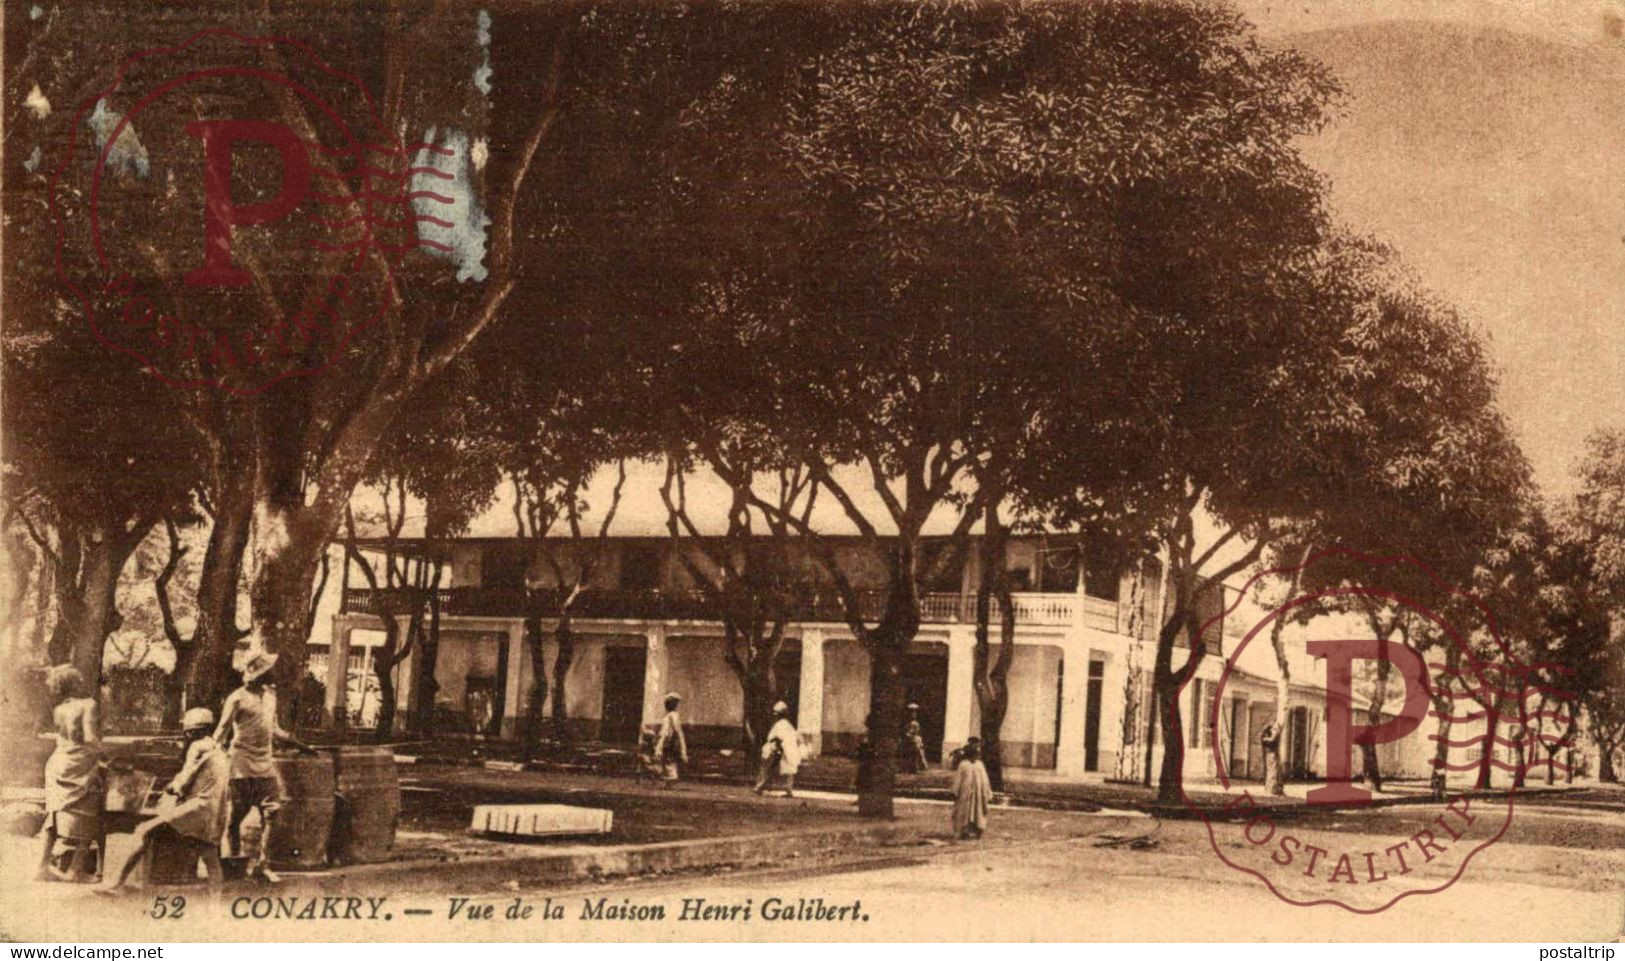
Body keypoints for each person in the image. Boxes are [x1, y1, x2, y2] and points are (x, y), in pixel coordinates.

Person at [97, 708, 229, 894]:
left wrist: (173, 787)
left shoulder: (197, 747)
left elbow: (187, 775)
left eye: (187, 732)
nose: (186, 736)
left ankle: (115, 884)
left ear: (192, 731)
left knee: (144, 830)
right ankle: (218, 903)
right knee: (210, 856)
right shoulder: (220, 750)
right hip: (215, 811)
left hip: (198, 808)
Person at [213, 651, 314, 882]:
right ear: (257, 674)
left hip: (265, 764)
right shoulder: (236, 698)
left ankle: (263, 864)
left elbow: (274, 728)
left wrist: (298, 744)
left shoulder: (271, 696)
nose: (272, 674)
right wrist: (208, 753)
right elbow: (222, 731)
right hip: (240, 764)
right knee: (234, 818)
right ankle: (233, 863)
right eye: (267, 671)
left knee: (272, 813)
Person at [38, 665, 104, 882]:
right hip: (80, 764)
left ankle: (42, 868)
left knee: (54, 815)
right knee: (90, 812)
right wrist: (110, 756)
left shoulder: (59, 709)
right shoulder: (89, 705)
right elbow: (89, 738)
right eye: (79, 679)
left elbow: (65, 739)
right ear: (75, 683)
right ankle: (76, 871)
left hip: (58, 762)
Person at [752, 701, 802, 798]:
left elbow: (777, 738)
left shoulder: (781, 725)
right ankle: (786, 789)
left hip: (780, 750)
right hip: (785, 750)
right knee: (785, 771)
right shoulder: (787, 725)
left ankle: (761, 787)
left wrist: (777, 748)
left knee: (768, 768)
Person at [951, 738, 994, 840]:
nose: (976, 756)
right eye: (974, 754)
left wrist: (987, 792)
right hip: (965, 794)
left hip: (978, 794)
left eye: (977, 754)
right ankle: (964, 830)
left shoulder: (980, 765)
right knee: (965, 811)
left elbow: (985, 780)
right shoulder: (963, 765)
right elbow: (958, 779)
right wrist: (955, 791)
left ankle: (976, 829)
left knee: (977, 811)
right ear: (969, 754)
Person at [653, 692, 688, 788]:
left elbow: (676, 731)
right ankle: (667, 782)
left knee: (668, 763)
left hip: (668, 742)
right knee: (666, 763)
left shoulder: (672, 715)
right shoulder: (671, 715)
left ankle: (668, 781)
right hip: (666, 742)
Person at [903, 703, 929, 773]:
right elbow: (908, 730)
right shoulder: (909, 722)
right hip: (910, 738)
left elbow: (917, 730)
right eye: (912, 712)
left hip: (915, 738)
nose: (914, 713)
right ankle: (911, 768)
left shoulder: (915, 721)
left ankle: (916, 768)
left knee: (917, 753)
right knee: (912, 753)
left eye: (915, 712)